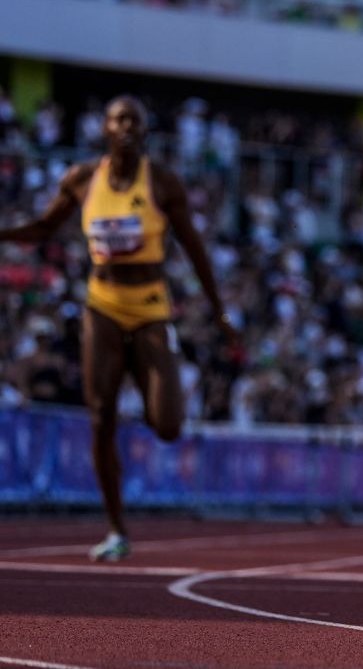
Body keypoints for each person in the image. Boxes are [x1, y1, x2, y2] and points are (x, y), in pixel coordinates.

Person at [0, 96, 229, 561]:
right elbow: (44, 227)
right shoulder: (83, 180)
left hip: (149, 307)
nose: (125, 126)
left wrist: (219, 310)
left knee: (167, 425)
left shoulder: (162, 183)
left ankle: (144, 385)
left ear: (144, 132)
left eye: (134, 121)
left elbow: (194, 248)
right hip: (102, 304)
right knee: (100, 418)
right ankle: (116, 528)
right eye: (117, 119)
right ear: (104, 128)